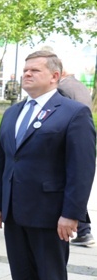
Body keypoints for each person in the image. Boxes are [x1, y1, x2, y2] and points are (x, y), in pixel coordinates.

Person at [0, 51, 96, 280]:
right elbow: (2, 163)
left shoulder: (73, 113)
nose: (27, 74)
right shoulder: (13, 112)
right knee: (24, 279)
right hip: (15, 212)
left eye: (34, 70)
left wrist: (71, 213)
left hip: (51, 214)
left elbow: (82, 168)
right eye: (25, 69)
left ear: (54, 76)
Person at [58, 68, 94, 247]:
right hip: (80, 137)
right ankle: (84, 231)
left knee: (71, 188)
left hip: (67, 141)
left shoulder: (63, 88)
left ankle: (84, 230)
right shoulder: (80, 86)